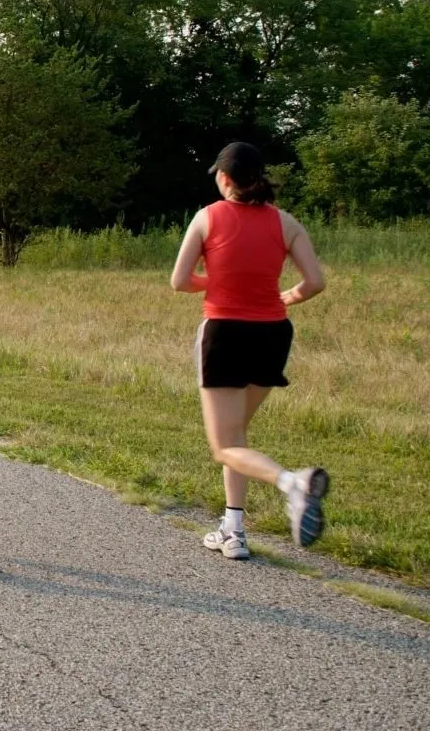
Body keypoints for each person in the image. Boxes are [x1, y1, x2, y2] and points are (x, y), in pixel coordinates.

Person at [171, 142, 330, 560]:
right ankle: (233, 529)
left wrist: (221, 281)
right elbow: (314, 282)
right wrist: (283, 297)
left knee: (224, 446)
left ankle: (291, 482)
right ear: (259, 177)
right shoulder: (287, 223)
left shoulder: (207, 217)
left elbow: (180, 280)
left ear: (224, 178)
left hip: (225, 332)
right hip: (273, 334)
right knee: (238, 436)